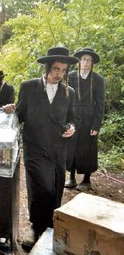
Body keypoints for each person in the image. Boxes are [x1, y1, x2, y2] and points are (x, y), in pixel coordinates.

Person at [2, 46, 78, 251]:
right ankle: (36, 227)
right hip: (35, 147)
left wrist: (72, 128)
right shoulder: (29, 87)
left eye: (63, 70)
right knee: (40, 187)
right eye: (55, 69)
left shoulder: (69, 92)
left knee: (55, 188)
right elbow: (20, 115)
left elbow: (70, 119)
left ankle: (51, 226)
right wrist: (10, 110)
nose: (59, 74)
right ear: (46, 68)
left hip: (57, 148)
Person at [65, 48, 105, 192]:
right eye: (83, 59)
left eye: (88, 60)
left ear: (92, 62)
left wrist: (96, 124)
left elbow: (100, 104)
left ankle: (87, 180)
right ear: (79, 61)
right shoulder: (71, 76)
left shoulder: (98, 79)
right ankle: (71, 177)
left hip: (89, 118)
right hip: (74, 117)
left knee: (87, 149)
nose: (85, 62)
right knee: (72, 147)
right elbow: (66, 98)